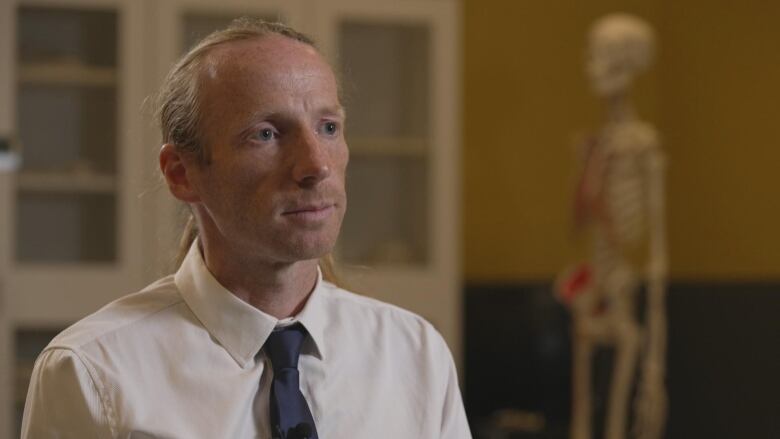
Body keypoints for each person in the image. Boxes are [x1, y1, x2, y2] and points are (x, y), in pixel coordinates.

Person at [21, 18, 471, 439]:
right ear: (181, 173)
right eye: (266, 134)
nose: (316, 165)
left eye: (328, 127)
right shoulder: (92, 372)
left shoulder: (414, 355)